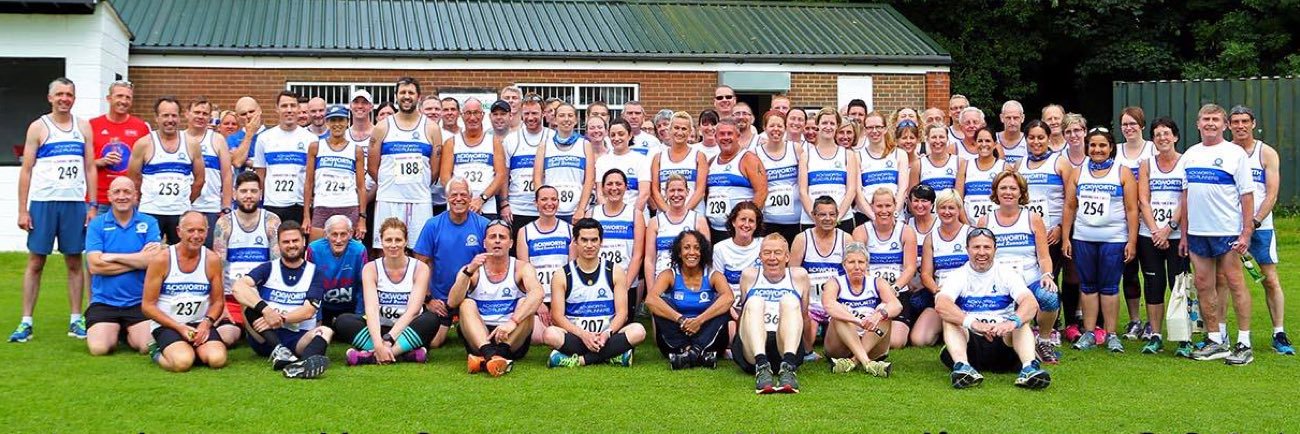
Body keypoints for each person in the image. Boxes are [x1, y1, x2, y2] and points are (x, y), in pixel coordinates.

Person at [12, 78, 98, 343]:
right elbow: (26, 170)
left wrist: (92, 204)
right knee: (36, 261)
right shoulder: (39, 127)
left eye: (69, 94)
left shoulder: (83, 127)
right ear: (50, 97)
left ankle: (76, 320)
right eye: (59, 94)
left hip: (73, 204)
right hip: (44, 203)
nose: (64, 98)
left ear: (74, 98)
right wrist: (22, 210)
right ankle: (26, 322)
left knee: (74, 261)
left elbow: (90, 167)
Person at [1180, 104, 1256, 364]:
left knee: (1235, 284)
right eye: (1205, 119)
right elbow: (1186, 196)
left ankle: (1244, 342)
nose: (1210, 123)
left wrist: (1246, 232)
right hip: (1198, 233)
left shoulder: (1235, 154)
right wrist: (1184, 234)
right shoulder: (1190, 154)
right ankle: (1215, 339)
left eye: (1215, 119)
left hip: (1227, 231)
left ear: (1224, 125)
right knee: (1203, 285)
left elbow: (1247, 196)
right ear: (1197, 124)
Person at [936, 227, 1051, 389]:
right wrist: (974, 323)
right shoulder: (958, 275)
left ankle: (1029, 368)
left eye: (987, 247)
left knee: (1022, 322)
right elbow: (942, 305)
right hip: (972, 343)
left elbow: (1031, 303)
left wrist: (1011, 323)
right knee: (949, 320)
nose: (981, 252)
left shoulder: (1007, 273)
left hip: (1003, 340)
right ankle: (962, 367)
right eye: (976, 247)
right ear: (967, 249)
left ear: (995, 250)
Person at [1062, 129, 1138, 353]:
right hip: (1084, 237)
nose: (1097, 150)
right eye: (1093, 145)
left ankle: (1112, 334)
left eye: (1102, 145)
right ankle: (1088, 332)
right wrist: (1066, 237)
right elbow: (1069, 207)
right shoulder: (1078, 172)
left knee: (1109, 287)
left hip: (1113, 238)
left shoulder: (1122, 172)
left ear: (1111, 147)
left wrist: (1131, 241)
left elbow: (1132, 210)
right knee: (1087, 286)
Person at [1226, 105, 1292, 355]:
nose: (1240, 126)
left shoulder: (1266, 153)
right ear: (1229, 125)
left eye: (1245, 121)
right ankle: (1222, 333)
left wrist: (1252, 223)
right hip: (1228, 227)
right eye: (1235, 122)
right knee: (1226, 280)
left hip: (1260, 227)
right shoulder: (1225, 152)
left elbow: (1272, 193)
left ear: (1253, 123)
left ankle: (1279, 332)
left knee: (1270, 280)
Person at [232, 221, 335, 379]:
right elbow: (238, 287)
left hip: (298, 337)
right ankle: (279, 351)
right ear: (278, 245)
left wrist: (280, 318)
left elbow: (309, 311)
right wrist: (266, 312)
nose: (291, 245)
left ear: (303, 242)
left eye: (295, 241)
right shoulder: (268, 267)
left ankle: (301, 365)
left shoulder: (315, 272)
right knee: (247, 298)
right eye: (286, 242)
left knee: (326, 331)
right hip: (265, 337)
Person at [978, 171, 1060, 363]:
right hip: (1000, 281)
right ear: (996, 192)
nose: (1008, 192)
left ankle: (1044, 339)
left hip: (1029, 278)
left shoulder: (1032, 218)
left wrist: (1047, 275)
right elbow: (980, 255)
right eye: (1003, 188)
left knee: (1049, 295)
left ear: (1021, 192)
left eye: (1013, 188)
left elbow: (1044, 256)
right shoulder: (986, 220)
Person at [335, 218, 440, 366]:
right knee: (343, 321)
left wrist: (389, 340)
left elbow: (413, 311)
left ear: (405, 242)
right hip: (379, 328)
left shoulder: (420, 268)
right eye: (388, 240)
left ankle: (372, 356)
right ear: (381, 242)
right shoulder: (370, 268)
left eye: (398, 240)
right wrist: (379, 343)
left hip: (408, 327)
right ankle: (405, 354)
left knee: (431, 319)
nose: (393, 245)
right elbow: (371, 309)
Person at [543, 218, 646, 368]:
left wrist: (606, 334)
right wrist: (583, 335)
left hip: (607, 336)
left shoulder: (615, 271)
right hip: (577, 337)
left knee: (639, 331)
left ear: (601, 242)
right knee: (549, 334)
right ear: (575, 242)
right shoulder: (562, 274)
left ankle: (580, 360)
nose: (589, 245)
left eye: (594, 240)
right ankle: (613, 355)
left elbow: (622, 314)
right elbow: (557, 316)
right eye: (584, 240)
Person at [448, 220, 546, 376]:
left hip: (511, 337)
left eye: (503, 237)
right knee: (466, 304)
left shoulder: (521, 268)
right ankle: (491, 356)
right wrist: (468, 272)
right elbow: (452, 302)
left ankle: (485, 359)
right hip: (480, 337)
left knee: (525, 303)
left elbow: (538, 293)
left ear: (511, 243)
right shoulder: (472, 268)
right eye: (493, 237)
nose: (498, 240)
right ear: (485, 243)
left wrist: (512, 323)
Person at [140, 212, 228, 372]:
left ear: (207, 232)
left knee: (217, 359)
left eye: (201, 231)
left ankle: (190, 349)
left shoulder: (212, 260)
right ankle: (156, 351)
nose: (196, 235)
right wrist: (179, 327)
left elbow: (218, 302)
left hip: (199, 323)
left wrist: (206, 324)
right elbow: (147, 306)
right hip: (169, 324)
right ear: (179, 231)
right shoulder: (162, 259)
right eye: (190, 230)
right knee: (183, 362)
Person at [84, 177, 160, 355]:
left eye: (127, 192)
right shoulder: (97, 224)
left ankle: (125, 333)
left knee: (146, 346)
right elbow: (95, 266)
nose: (122, 196)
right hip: (104, 302)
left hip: (139, 302)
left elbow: (153, 261)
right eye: (117, 192)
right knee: (99, 349)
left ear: (135, 196)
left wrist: (112, 257)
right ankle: (115, 331)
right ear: (109, 196)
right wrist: (139, 260)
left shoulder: (149, 223)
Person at [1015, 120, 1073, 346]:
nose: (1036, 142)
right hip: (1028, 233)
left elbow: (1071, 200)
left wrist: (1060, 228)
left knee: (1050, 277)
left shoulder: (1059, 163)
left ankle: (1052, 327)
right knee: (1029, 278)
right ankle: (1028, 323)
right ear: (1026, 139)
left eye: (1041, 137)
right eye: (1032, 138)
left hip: (1052, 232)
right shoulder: (1019, 165)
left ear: (1048, 138)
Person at [1135, 117, 1190, 356]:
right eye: (1157, 134)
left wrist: (1169, 227)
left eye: (1167, 133)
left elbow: (1186, 199)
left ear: (1175, 137)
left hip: (1177, 235)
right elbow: (1143, 199)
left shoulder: (1186, 162)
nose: (1162, 138)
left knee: (1178, 286)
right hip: (1150, 234)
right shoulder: (1146, 163)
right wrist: (1156, 230)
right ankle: (1155, 335)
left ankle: (1183, 338)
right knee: (1153, 284)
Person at [413, 177, 490, 348]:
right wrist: (428, 300)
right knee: (434, 343)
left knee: (471, 336)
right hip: (441, 300)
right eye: (454, 194)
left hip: (472, 299)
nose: (459, 198)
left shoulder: (483, 225)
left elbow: (491, 263)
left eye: (463, 194)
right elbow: (421, 264)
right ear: (447, 198)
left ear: (471, 198)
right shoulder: (433, 225)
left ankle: (465, 325)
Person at [369, 77, 442, 249]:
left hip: (420, 199)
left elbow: (435, 170)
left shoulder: (432, 128)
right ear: (396, 96)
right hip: (389, 198)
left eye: (411, 92)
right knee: (386, 250)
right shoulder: (382, 127)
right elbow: (372, 168)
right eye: (402, 92)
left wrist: (414, 183)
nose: (406, 96)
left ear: (419, 97)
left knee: (422, 252)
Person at [734, 234, 811, 394]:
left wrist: (809, 350)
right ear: (760, 256)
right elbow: (743, 315)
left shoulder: (799, 276)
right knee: (755, 302)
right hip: (753, 353)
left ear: (787, 256)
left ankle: (788, 368)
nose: (772, 258)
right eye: (767, 252)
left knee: (789, 300)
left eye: (777, 252)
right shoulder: (749, 275)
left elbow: (803, 316)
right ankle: (762, 368)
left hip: (785, 345)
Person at [647, 230, 733, 369]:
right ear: (679, 253)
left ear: (702, 252)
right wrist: (681, 319)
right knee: (662, 304)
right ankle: (693, 353)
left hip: (707, 335)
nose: (692, 252)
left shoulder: (713, 275)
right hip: (676, 338)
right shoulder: (669, 274)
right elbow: (650, 300)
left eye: (697, 248)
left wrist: (699, 321)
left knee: (722, 305)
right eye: (687, 248)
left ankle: (691, 354)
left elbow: (729, 298)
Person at [212, 171, 280, 345]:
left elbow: (277, 265)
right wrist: (221, 306)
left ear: (260, 193)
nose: (248, 196)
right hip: (231, 299)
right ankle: (242, 327)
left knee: (269, 336)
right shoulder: (224, 223)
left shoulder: (271, 221)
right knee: (226, 338)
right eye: (244, 191)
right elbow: (217, 267)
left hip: (261, 299)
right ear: (235, 193)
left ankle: (251, 329)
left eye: (253, 191)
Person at [127, 96, 205, 244]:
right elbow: (133, 178)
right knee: (148, 255)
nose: (170, 120)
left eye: (174, 115)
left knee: (181, 257)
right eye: (165, 115)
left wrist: (185, 200)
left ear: (180, 117)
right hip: (150, 211)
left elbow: (199, 180)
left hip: (180, 212)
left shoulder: (191, 143)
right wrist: (142, 201)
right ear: (156, 118)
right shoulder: (144, 143)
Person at [852, 189, 918, 349]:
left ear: (895, 206)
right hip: (870, 291)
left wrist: (894, 288)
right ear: (872, 207)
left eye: (888, 205)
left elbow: (910, 267)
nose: (883, 210)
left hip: (897, 292)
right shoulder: (861, 231)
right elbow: (858, 266)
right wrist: (876, 288)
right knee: (859, 331)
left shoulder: (906, 231)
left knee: (896, 342)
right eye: (879, 206)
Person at [824, 242, 901, 376]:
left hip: (871, 339)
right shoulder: (834, 282)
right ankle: (867, 363)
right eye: (851, 262)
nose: (857, 267)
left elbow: (897, 305)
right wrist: (855, 320)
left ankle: (853, 361)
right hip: (841, 343)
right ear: (844, 264)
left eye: (861, 262)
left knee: (885, 310)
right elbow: (829, 305)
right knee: (839, 311)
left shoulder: (877, 282)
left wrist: (878, 315)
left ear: (867, 264)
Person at [790, 196, 852, 359]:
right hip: (811, 306)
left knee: (839, 349)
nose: (827, 219)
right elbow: (792, 275)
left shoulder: (846, 239)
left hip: (836, 303)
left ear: (838, 215)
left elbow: (854, 275)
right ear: (813, 215)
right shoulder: (802, 239)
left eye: (832, 214)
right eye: (822, 215)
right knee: (805, 344)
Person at [1114, 107, 1154, 338]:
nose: (1129, 128)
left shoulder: (1152, 148)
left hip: (1147, 222)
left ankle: (1151, 320)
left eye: (1133, 124)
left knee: (1150, 273)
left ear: (1141, 126)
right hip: (1122, 221)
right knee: (1129, 273)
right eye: (1125, 124)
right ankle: (1134, 320)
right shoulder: (1116, 151)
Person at [516, 185, 572, 343]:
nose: (549, 203)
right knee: (537, 337)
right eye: (544, 199)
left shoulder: (569, 230)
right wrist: (538, 302)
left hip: (562, 298)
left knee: (557, 332)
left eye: (553, 199)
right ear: (536, 203)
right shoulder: (525, 232)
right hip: (538, 297)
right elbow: (524, 273)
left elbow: (571, 271)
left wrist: (558, 305)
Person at [250, 91, 317, 224]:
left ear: (298, 108)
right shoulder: (264, 138)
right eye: (284, 106)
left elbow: (313, 177)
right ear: (277, 109)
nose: (289, 110)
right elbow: (260, 176)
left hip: (300, 205)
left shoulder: (311, 139)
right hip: (273, 204)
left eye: (293, 106)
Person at [303, 105, 366, 239]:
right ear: (327, 122)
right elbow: (308, 183)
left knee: (347, 252)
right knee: (316, 250)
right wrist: (306, 217)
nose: (337, 124)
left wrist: (362, 219)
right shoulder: (316, 147)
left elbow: (361, 187)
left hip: (348, 206)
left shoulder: (356, 150)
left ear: (347, 122)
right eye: (333, 120)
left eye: (341, 120)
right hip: (322, 205)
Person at [588, 169, 646, 309]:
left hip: (626, 281)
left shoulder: (635, 215)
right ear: (602, 188)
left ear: (626, 187)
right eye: (609, 184)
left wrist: (624, 286)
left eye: (619, 184)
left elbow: (638, 255)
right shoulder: (592, 214)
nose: (614, 188)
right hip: (598, 281)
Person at [90, 80, 150, 215]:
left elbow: (147, 163)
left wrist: (138, 195)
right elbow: (82, 163)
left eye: (128, 97)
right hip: (100, 199)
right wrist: (101, 161)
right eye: (119, 96)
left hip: (129, 199)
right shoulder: (92, 125)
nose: (124, 101)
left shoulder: (141, 127)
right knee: (96, 236)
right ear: (109, 98)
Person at [440, 98, 506, 220]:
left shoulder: (494, 141)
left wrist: (481, 199)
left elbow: (500, 175)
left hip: (486, 207)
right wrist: (461, 200)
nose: (472, 117)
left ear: (483, 115)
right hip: (457, 207)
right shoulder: (451, 142)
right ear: (462, 115)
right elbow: (445, 178)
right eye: (468, 113)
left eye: (476, 113)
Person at [919, 189, 970, 347]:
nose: (947, 212)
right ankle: (944, 329)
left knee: (968, 336)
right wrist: (937, 290)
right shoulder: (931, 238)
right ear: (936, 208)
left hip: (967, 294)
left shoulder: (971, 234)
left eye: (951, 208)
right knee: (920, 340)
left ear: (959, 209)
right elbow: (926, 274)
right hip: (942, 294)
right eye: (943, 208)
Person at [705, 119, 767, 241]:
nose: (726, 137)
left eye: (729, 133)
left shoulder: (748, 159)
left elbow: (762, 192)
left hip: (740, 231)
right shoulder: (711, 162)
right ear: (716, 137)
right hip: (715, 230)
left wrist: (746, 221)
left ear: (738, 136)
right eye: (722, 134)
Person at [183, 97, 233, 247]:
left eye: (205, 113)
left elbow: (227, 175)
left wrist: (226, 207)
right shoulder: (179, 139)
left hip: (210, 206)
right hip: (183, 206)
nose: (200, 116)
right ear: (187, 114)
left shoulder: (217, 140)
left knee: (211, 252)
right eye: (196, 112)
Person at [800, 108, 859, 233]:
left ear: (837, 126)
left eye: (832, 123)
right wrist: (816, 218)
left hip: (842, 219)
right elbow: (803, 192)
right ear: (817, 125)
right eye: (824, 123)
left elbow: (851, 190)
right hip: (811, 221)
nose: (828, 127)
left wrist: (836, 218)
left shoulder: (848, 155)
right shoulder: (806, 155)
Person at [534, 104, 595, 221]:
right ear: (555, 119)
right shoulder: (544, 145)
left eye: (570, 115)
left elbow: (590, 179)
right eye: (562, 115)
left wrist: (581, 209)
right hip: (551, 209)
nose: (566, 119)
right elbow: (537, 178)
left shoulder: (585, 144)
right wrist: (543, 205)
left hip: (576, 210)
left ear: (576, 120)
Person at [306, 215, 368, 328]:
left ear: (350, 234)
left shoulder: (359, 250)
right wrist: (317, 319)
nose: (338, 240)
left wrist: (360, 316)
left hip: (349, 308)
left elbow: (363, 286)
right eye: (334, 234)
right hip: (323, 306)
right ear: (326, 234)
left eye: (343, 234)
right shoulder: (314, 249)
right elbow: (311, 285)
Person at [502, 96, 551, 234]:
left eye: (534, 113)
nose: (530, 118)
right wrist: (504, 204)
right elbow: (504, 175)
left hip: (546, 208)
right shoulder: (510, 140)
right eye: (527, 113)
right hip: (518, 208)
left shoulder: (553, 137)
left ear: (543, 113)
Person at [646, 174, 710, 282]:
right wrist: (651, 290)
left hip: (690, 283)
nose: (676, 194)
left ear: (687, 192)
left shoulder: (698, 220)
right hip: (661, 282)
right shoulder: (655, 222)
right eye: (672, 190)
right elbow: (649, 259)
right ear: (666, 193)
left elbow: (706, 256)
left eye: (680, 190)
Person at [854, 111, 910, 226]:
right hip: (866, 216)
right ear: (864, 131)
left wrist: (893, 214)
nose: (874, 131)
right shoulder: (857, 156)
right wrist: (874, 217)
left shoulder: (899, 154)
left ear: (885, 129)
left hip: (894, 217)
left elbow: (902, 189)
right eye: (870, 127)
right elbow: (858, 193)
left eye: (878, 127)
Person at [756, 112, 803, 242]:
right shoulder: (756, 152)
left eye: (779, 126)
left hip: (795, 219)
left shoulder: (796, 149)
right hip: (768, 220)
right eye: (772, 126)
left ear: (785, 128)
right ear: (764, 128)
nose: (776, 129)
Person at [651, 111, 709, 214]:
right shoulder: (658, 157)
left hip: (693, 215)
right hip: (665, 216)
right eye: (676, 128)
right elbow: (655, 191)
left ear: (690, 131)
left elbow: (700, 191)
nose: (680, 132)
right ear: (670, 129)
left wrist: (683, 212)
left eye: (684, 129)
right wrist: (669, 212)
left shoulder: (699, 156)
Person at [593, 118, 650, 214]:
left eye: (621, 134)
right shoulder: (602, 161)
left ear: (630, 135)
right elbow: (600, 194)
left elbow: (644, 193)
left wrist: (631, 215)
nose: (616, 138)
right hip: (609, 218)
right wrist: (609, 215)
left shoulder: (641, 160)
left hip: (636, 214)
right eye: (613, 135)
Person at [957, 127, 1006, 223]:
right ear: (975, 143)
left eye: (988, 141)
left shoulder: (1004, 167)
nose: (984, 144)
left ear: (995, 144)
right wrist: (967, 225)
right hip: (970, 225)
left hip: (996, 225)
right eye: (980, 141)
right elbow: (958, 200)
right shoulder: (965, 166)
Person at [918, 123, 959, 192]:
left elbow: (960, 195)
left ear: (947, 139)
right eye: (933, 137)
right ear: (927, 139)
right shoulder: (918, 164)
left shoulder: (959, 162)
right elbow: (912, 197)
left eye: (941, 137)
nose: (938, 141)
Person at [997, 101, 1028, 165]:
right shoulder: (992, 140)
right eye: (1008, 118)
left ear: (1022, 118)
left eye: (1016, 118)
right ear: (1001, 118)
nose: (1012, 122)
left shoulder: (1030, 141)